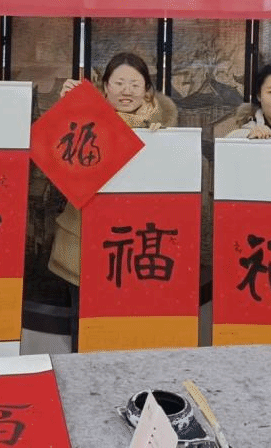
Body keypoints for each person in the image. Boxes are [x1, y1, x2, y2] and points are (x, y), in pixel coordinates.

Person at [47, 52, 178, 347]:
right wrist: (67, 109)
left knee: (130, 332)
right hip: (83, 242)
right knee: (84, 330)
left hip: (138, 246)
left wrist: (161, 142)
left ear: (147, 90)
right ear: (105, 86)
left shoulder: (165, 131)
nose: (126, 91)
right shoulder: (86, 120)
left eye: (134, 84)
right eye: (118, 83)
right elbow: (54, 164)